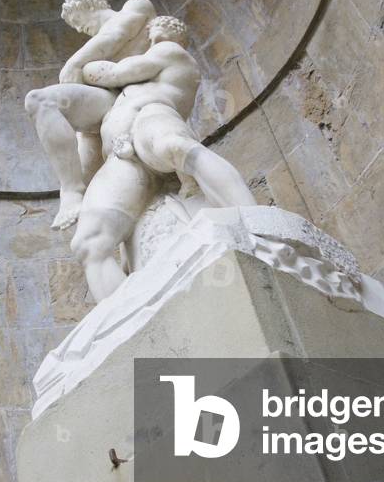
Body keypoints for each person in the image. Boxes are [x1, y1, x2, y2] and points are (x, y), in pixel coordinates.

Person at [69, 15, 256, 300]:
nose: (150, 31)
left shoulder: (169, 52)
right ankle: (129, 316)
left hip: (151, 119)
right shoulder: (122, 93)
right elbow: (87, 159)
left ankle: (254, 221)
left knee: (175, 147)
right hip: (119, 156)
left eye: (156, 26)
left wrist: (77, 66)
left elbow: (110, 73)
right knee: (87, 243)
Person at [23, 0, 156, 229]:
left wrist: (74, 63)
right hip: (109, 103)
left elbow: (117, 34)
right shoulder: (92, 54)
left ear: (90, 4)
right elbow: (84, 133)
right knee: (40, 101)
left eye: (77, 20)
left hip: (145, 92)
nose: (78, 28)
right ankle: (71, 191)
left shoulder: (136, 6)